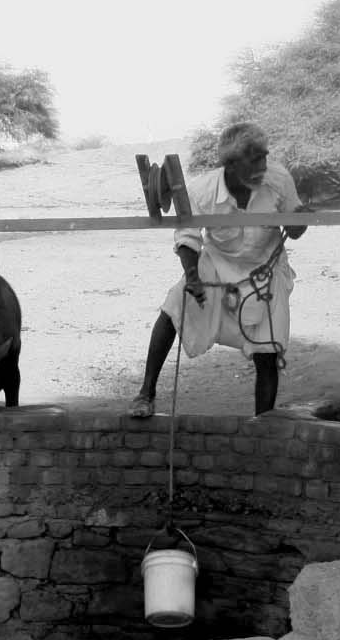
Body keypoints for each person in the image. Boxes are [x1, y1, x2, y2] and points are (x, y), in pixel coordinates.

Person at [128, 122, 307, 418]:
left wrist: (300, 223)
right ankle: (145, 393)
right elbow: (188, 237)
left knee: (268, 352)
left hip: (267, 269)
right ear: (232, 164)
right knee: (174, 306)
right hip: (217, 262)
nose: (264, 165)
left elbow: (296, 225)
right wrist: (193, 277)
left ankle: (261, 425)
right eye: (255, 160)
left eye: (265, 157)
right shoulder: (203, 191)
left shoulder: (279, 180)